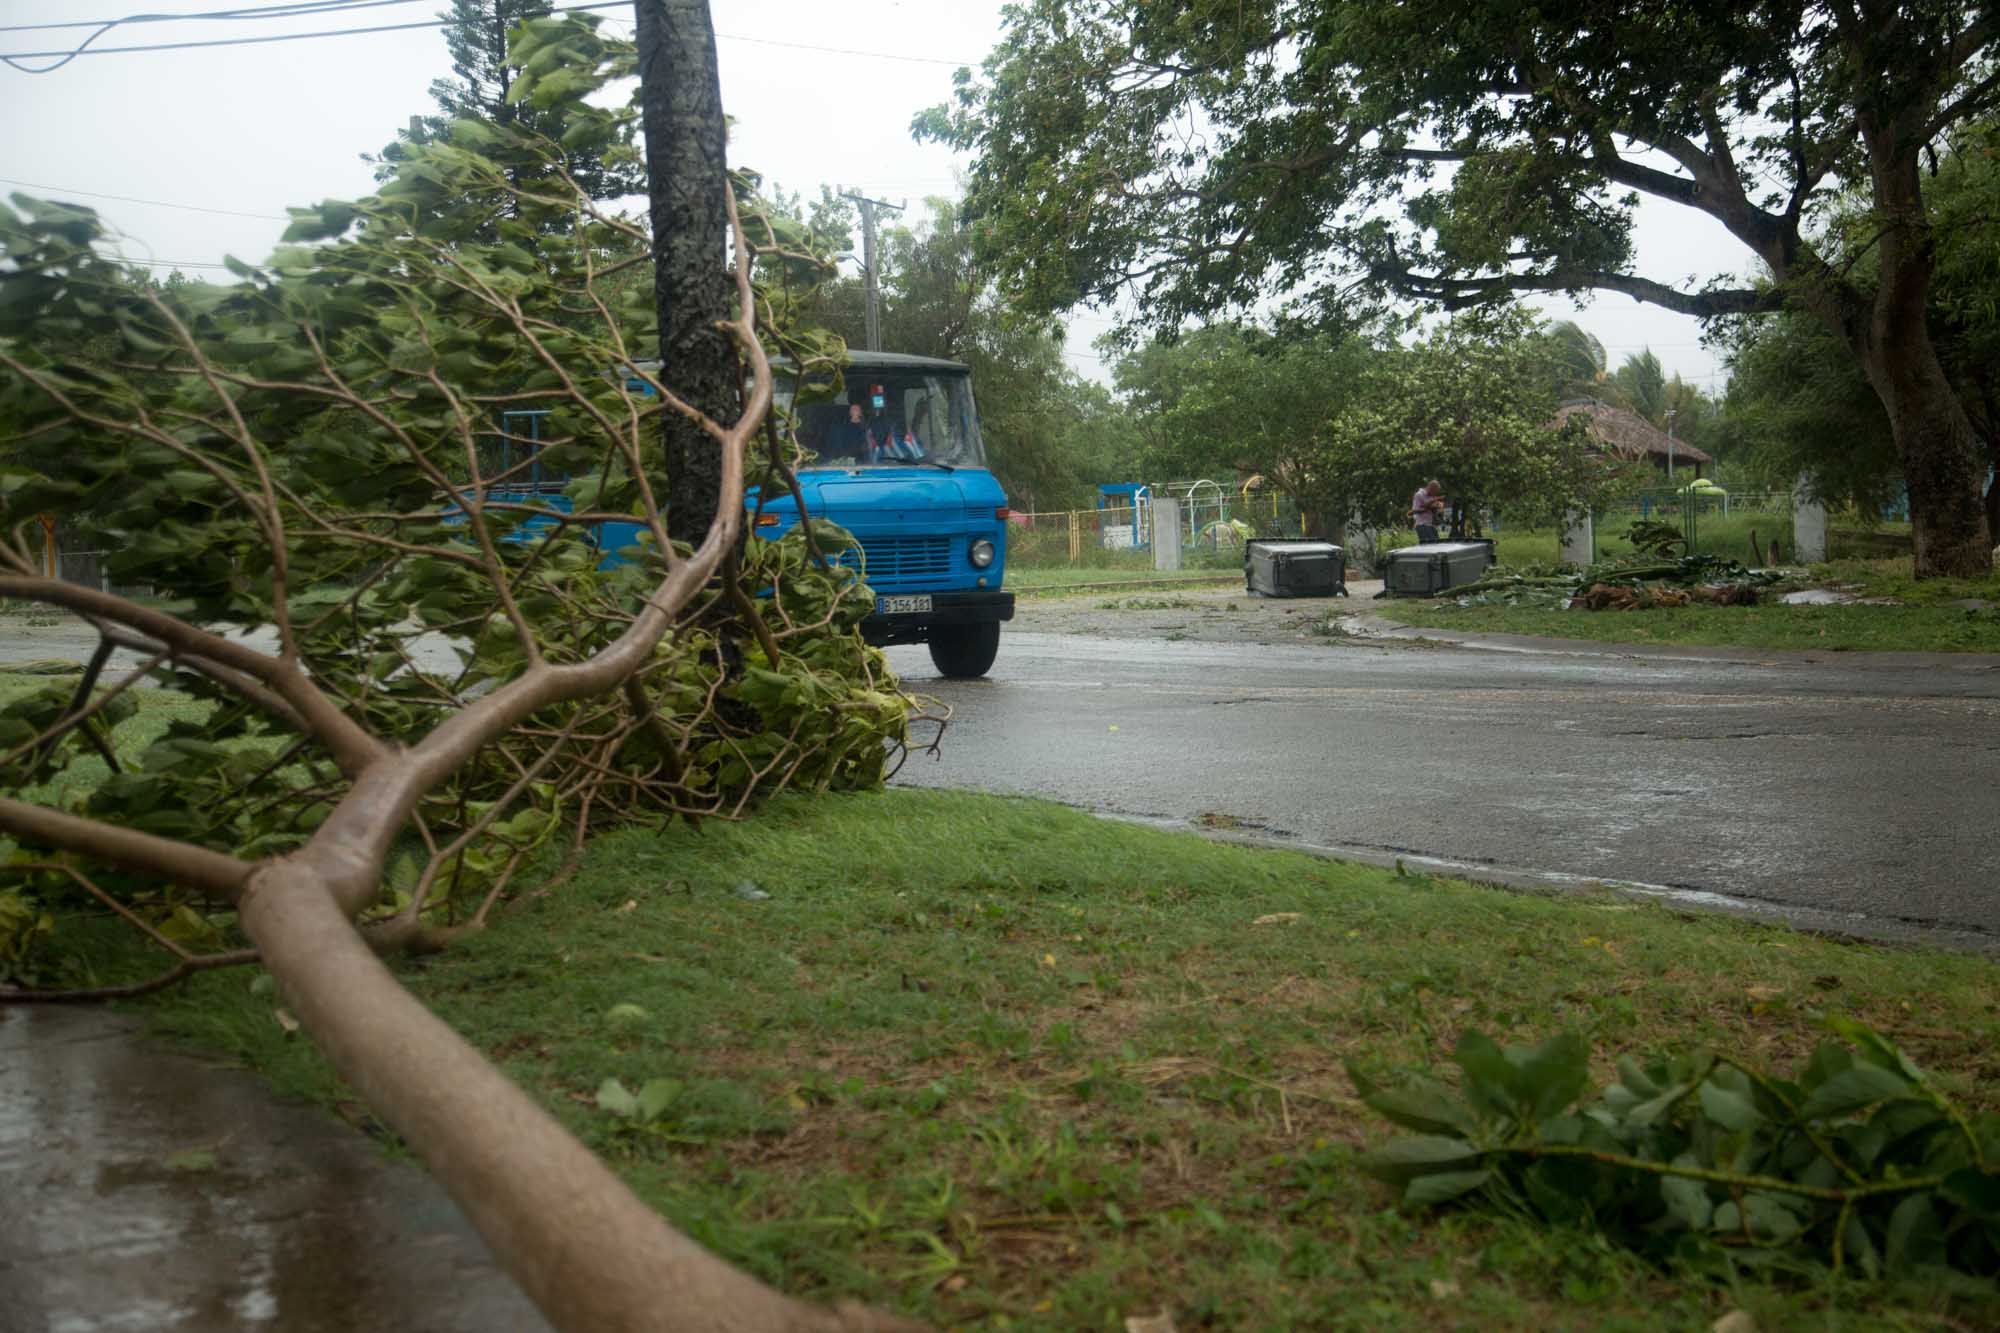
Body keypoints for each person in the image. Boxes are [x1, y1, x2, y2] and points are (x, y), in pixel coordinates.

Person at [861, 383, 925, 461]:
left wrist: (918, 416)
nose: (878, 403)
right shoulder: (866, 435)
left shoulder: (905, 438)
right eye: (875, 398)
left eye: (881, 398)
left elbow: (923, 461)